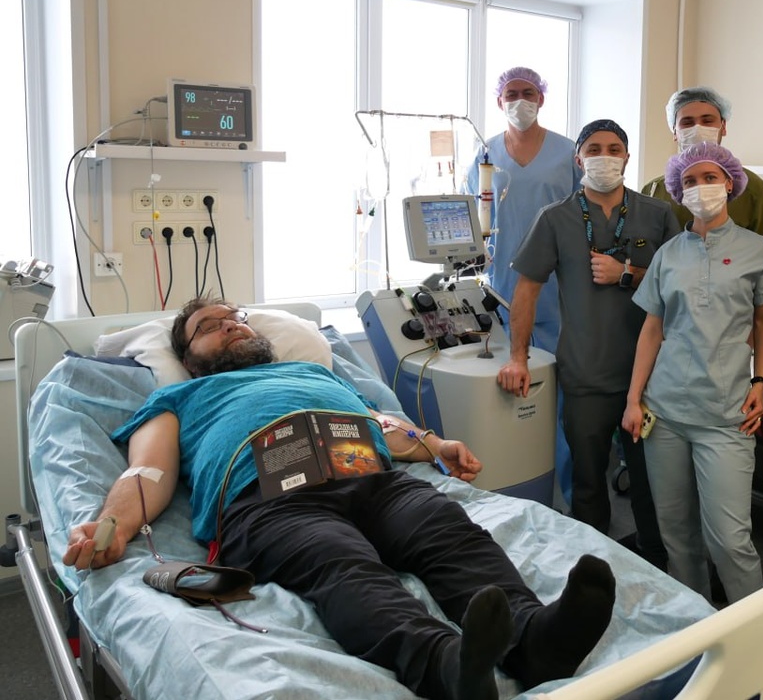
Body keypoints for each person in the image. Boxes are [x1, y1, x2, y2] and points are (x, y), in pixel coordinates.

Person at [62, 297, 617, 700]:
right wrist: (112, 525)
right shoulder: (181, 396)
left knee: (450, 532)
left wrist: (436, 444)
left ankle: (534, 640)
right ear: (187, 357)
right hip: (272, 499)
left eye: (236, 317)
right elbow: (148, 469)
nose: (230, 324)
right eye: (210, 326)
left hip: (371, 477)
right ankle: (447, 667)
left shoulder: (313, 371)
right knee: (343, 566)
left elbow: (379, 422)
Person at [498, 120, 679, 569]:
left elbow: (681, 283)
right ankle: (594, 570)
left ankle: (657, 567)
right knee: (589, 483)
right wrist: (518, 358)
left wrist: (629, 274)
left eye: (614, 149)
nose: (605, 157)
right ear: (578, 159)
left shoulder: (657, 214)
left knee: (652, 485)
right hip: (586, 375)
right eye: (594, 149)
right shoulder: (555, 218)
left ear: (627, 158)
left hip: (650, 378)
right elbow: (526, 291)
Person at [621, 142, 763, 604]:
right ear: (678, 190)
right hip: (665, 411)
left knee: (729, 540)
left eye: (710, 178)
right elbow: (652, 329)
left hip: (725, 415)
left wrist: (760, 381)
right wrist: (633, 399)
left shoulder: (758, 252)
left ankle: (753, 633)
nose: (700, 188)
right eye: (689, 181)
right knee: (677, 533)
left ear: (729, 183)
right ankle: (695, 622)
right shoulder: (669, 254)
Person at [465, 66, 581, 505]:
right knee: (511, 399)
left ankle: (566, 500)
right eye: (511, 93)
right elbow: (474, 217)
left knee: (561, 403)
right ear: (499, 101)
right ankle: (514, 491)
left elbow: (585, 218)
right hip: (502, 292)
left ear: (542, 98)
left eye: (528, 92)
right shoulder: (486, 153)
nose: (519, 100)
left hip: (558, 294)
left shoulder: (568, 152)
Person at [641, 86, 763, 252]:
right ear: (675, 131)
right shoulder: (654, 191)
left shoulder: (756, 190)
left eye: (707, 121)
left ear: (723, 127)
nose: (698, 128)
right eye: (688, 122)